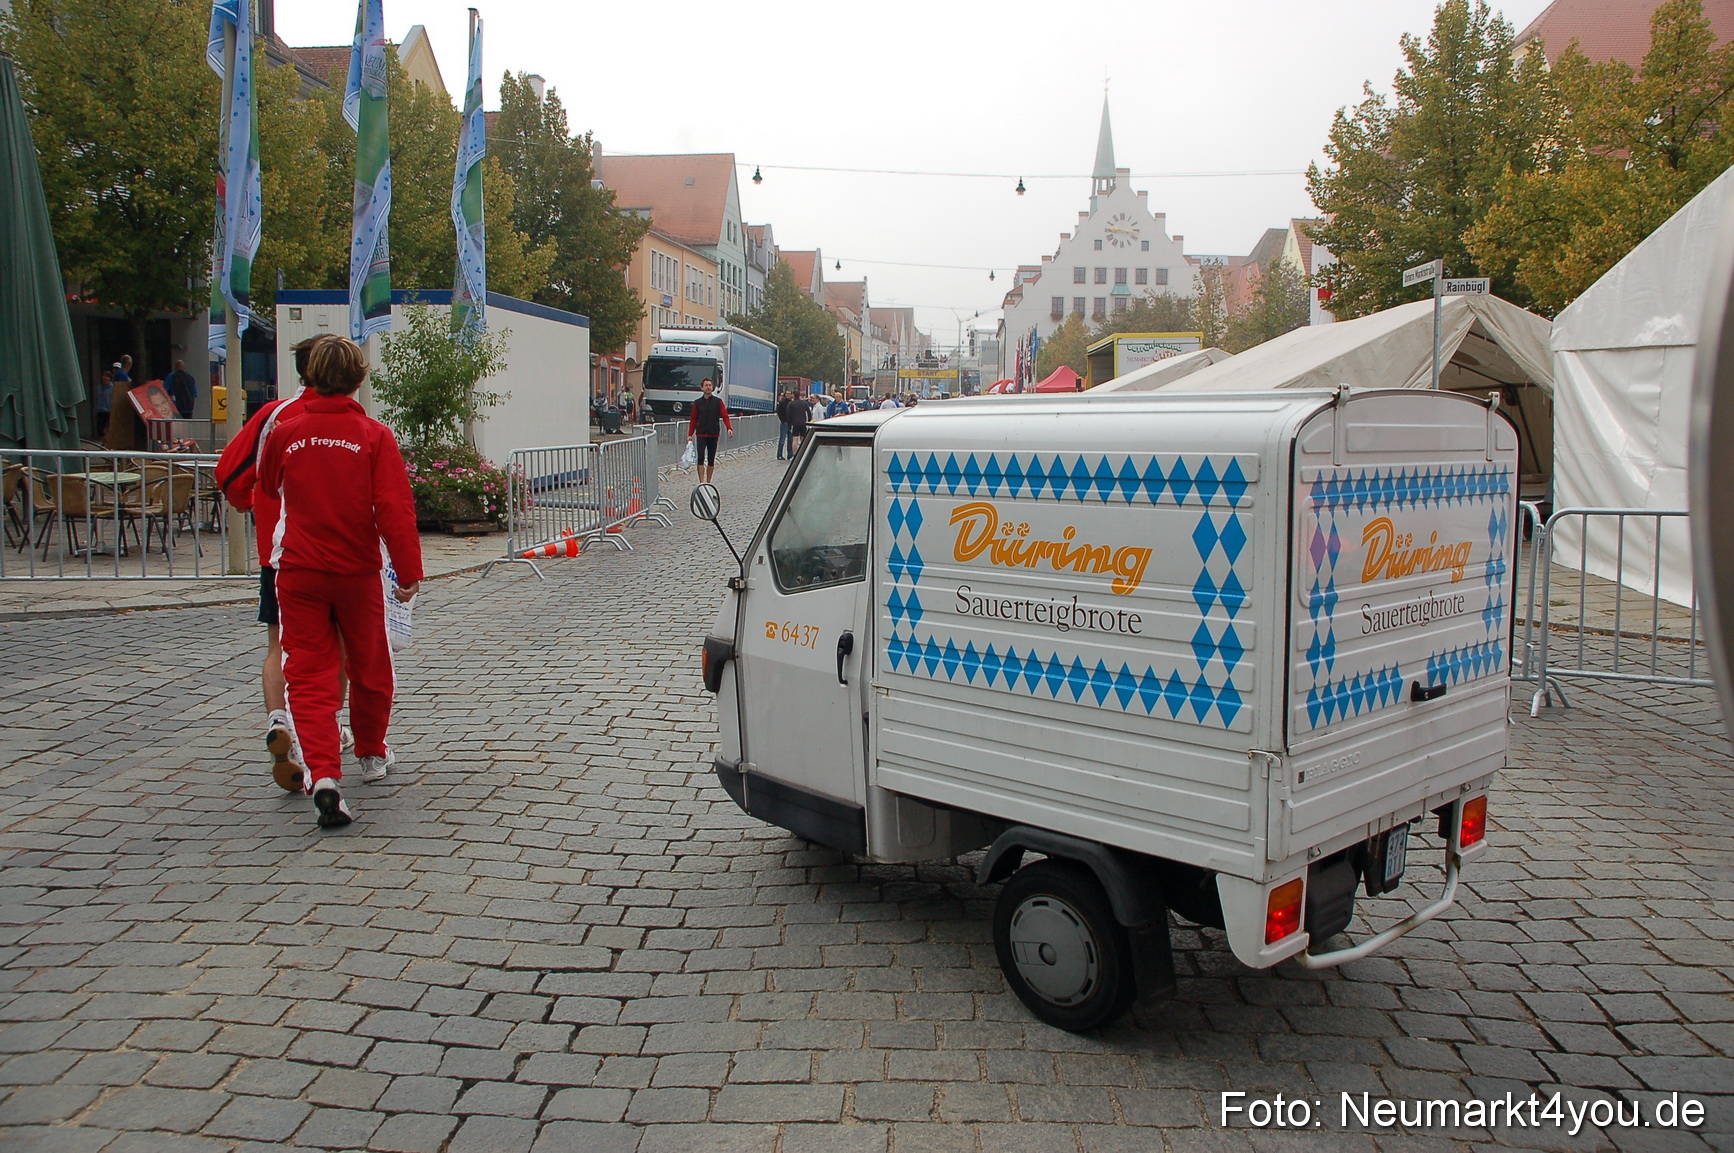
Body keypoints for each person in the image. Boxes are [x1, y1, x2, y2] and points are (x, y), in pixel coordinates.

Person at [258, 335, 422, 829]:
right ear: (359, 377)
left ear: (307, 376)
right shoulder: (374, 435)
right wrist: (409, 572)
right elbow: (394, 507)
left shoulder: (285, 431)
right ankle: (371, 754)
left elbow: (266, 485)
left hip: (299, 570)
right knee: (369, 662)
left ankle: (324, 776)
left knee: (307, 674)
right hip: (356, 570)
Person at [216, 336, 353, 794]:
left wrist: (249, 503)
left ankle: (280, 723)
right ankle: (329, 730)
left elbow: (231, 472)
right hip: (332, 555)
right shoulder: (349, 421)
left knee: (279, 645)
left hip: (278, 554)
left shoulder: (273, 414)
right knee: (333, 648)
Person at [687, 377, 733, 484]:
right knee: (700, 458)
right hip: (701, 433)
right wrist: (690, 434)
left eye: (710, 385)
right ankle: (701, 482)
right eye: (706, 385)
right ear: (702, 388)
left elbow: (725, 416)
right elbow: (693, 419)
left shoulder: (718, 402)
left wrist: (729, 428)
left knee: (711, 458)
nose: (708, 387)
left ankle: (708, 482)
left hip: (713, 433)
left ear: (712, 388)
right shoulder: (697, 403)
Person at [785, 386, 810, 459]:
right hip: (803, 423)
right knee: (803, 438)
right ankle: (803, 453)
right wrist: (808, 421)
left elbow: (788, 415)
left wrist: (789, 424)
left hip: (794, 423)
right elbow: (808, 412)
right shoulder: (804, 403)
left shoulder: (791, 404)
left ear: (793, 395)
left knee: (795, 439)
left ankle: (795, 454)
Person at [774, 389, 794, 460]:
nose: (788, 395)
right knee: (782, 439)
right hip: (784, 423)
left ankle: (790, 455)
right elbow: (779, 412)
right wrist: (783, 420)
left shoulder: (792, 402)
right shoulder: (782, 403)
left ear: (791, 395)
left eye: (789, 393)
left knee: (790, 440)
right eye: (787, 393)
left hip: (791, 424)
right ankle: (779, 455)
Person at [93, 368, 113, 437]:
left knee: (109, 428)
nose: (105, 380)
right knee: (100, 429)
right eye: (103, 379)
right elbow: (97, 399)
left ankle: (106, 442)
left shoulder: (112, 388)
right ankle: (103, 440)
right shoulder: (99, 388)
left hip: (109, 410)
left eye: (106, 379)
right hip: (100, 410)